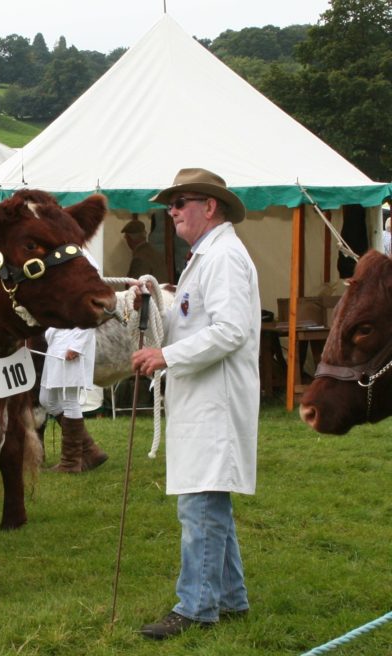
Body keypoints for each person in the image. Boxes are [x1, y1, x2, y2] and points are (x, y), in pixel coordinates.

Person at [131, 168, 259, 640]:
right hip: (203, 397)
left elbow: (230, 330)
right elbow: (194, 321)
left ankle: (196, 606)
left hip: (215, 400)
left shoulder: (222, 256)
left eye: (180, 201)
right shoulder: (206, 255)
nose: (172, 210)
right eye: (172, 203)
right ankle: (230, 598)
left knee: (200, 504)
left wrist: (165, 354)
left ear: (210, 206)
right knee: (208, 499)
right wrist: (158, 301)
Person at [39, 249, 108, 473]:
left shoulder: (83, 261)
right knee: (47, 399)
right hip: (57, 339)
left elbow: (92, 312)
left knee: (70, 400)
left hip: (72, 342)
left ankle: (70, 463)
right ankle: (89, 451)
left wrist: (77, 345)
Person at [122, 218, 170, 282]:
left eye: (126, 237)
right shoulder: (156, 253)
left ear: (130, 238)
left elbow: (136, 286)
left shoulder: (139, 258)